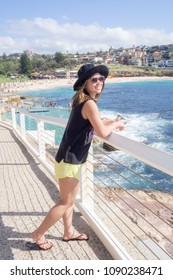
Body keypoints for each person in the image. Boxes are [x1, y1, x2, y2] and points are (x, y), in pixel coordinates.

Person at [25, 63, 124, 250]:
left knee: (69, 200)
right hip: (70, 160)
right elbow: (102, 132)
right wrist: (116, 125)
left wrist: (112, 121)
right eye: (94, 79)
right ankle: (38, 233)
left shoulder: (82, 101)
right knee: (66, 202)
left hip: (68, 158)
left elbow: (95, 123)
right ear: (85, 83)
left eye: (101, 79)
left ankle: (68, 231)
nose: (99, 82)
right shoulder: (89, 104)